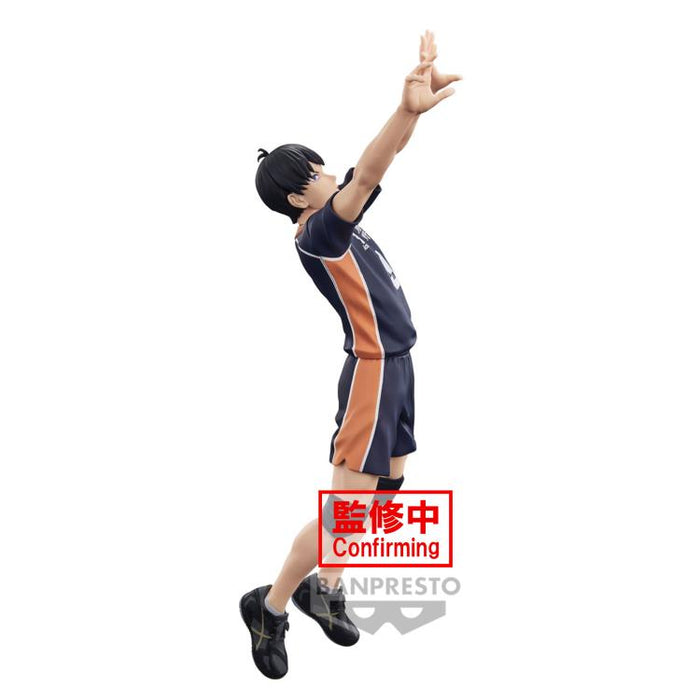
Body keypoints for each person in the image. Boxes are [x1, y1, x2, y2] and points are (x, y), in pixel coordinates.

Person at [241, 30, 460, 679]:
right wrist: (405, 108)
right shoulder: (320, 232)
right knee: (346, 512)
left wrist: (410, 118)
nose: (329, 175)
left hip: (399, 367)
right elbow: (370, 170)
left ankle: (326, 586)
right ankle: (269, 606)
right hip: (372, 373)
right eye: (316, 174)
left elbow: (377, 165)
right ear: (297, 198)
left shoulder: (339, 221)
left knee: (385, 494)